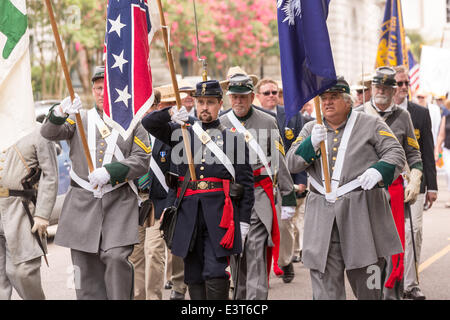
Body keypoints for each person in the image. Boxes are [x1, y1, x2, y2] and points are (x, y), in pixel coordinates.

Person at [286, 77, 406, 300]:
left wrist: (379, 170)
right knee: (325, 290)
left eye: (334, 98)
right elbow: (291, 163)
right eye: (324, 99)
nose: (328, 103)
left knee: (369, 287)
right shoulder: (311, 128)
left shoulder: (370, 124)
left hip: (361, 216)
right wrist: (309, 143)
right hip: (322, 218)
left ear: (348, 101)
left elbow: (396, 153)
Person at [40, 66, 150, 300]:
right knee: (85, 270)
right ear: (92, 89)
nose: (103, 93)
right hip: (82, 205)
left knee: (116, 258)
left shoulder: (133, 123)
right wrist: (60, 110)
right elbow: (48, 132)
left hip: (118, 203)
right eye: (99, 88)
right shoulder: (79, 119)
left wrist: (111, 172)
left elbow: (142, 160)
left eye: (108, 88)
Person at [142, 80, 255, 300]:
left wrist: (243, 221)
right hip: (188, 214)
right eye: (200, 102)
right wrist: (170, 113)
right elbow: (149, 123)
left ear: (220, 104)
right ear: (194, 103)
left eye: (210, 102)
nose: (205, 107)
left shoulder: (233, 139)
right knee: (193, 274)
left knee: (215, 271)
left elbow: (246, 185)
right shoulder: (180, 132)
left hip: (220, 215)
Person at [220, 74, 297, 300]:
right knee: (236, 254)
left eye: (243, 97)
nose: (239, 102)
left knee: (255, 249)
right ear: (229, 98)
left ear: (252, 97)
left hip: (259, 193)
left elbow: (279, 159)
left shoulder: (268, 121)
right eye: (234, 97)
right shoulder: (221, 123)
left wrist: (288, 195)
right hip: (231, 197)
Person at [355, 66, 423, 300]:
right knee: (368, 246)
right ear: (372, 88)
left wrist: (415, 177)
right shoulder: (358, 114)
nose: (382, 91)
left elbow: (413, 152)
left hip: (393, 190)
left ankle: (391, 292)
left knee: (393, 245)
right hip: (364, 191)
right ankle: (372, 293)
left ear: (395, 90)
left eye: (387, 87)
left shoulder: (403, 116)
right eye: (378, 86)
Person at [254, 78, 308, 283]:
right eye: (266, 93)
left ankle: (284, 261)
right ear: (258, 96)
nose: (271, 96)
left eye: (274, 92)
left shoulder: (292, 116)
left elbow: (300, 149)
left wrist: (301, 178)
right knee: (258, 227)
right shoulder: (251, 117)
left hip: (284, 181)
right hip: (259, 182)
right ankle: (261, 272)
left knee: (285, 226)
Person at [393, 66, 437, 300]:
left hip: (414, 183)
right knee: (390, 232)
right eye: (398, 83)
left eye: (405, 83)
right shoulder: (377, 113)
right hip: (386, 184)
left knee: (414, 232)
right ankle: (390, 279)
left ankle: (410, 284)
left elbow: (427, 151)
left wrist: (432, 186)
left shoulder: (420, 113)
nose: (402, 88)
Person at [0, 125, 58, 300]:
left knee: (22, 272)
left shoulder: (38, 130)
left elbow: (50, 175)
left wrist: (42, 214)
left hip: (21, 209)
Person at [435, 100, 450, 208]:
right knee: (449, 173)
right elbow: (441, 134)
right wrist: (437, 149)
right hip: (447, 149)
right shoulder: (446, 116)